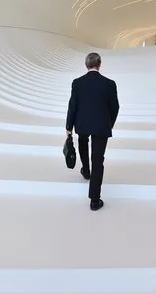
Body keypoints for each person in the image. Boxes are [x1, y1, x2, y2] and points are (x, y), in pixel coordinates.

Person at [65, 52, 119, 211]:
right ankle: (95, 200)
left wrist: (69, 128)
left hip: (82, 124)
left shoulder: (77, 83)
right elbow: (115, 107)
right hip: (102, 126)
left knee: (83, 143)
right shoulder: (109, 84)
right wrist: (109, 123)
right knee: (98, 159)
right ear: (99, 65)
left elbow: (72, 107)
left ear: (86, 65)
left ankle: (86, 170)